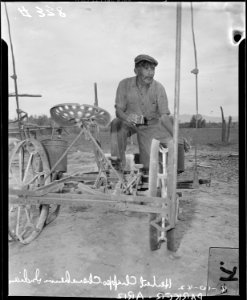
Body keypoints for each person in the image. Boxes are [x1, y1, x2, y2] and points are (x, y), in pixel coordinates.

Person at [110, 54, 175, 171]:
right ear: (136, 70)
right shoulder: (124, 84)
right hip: (129, 123)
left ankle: (150, 164)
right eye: (146, 68)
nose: (150, 73)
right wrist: (127, 118)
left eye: (152, 69)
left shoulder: (159, 88)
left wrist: (176, 136)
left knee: (149, 167)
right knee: (116, 124)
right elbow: (118, 110)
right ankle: (118, 163)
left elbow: (164, 116)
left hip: (150, 125)